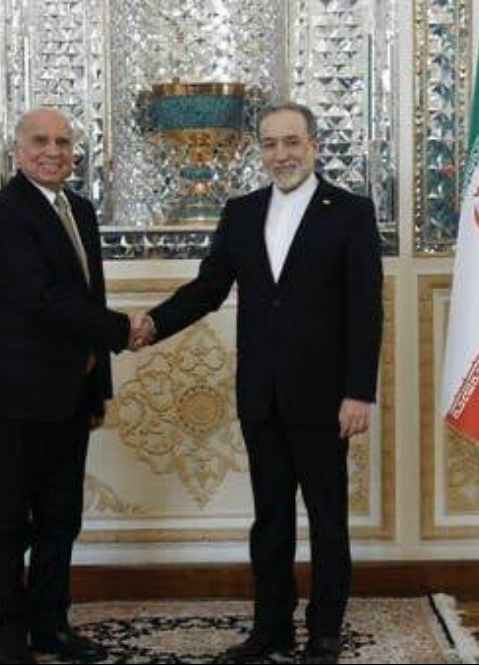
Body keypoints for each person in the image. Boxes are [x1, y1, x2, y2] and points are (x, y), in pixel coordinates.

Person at [132, 102, 383, 664]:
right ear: (260, 151)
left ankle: (325, 631)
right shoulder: (241, 212)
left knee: (328, 519)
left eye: (292, 142)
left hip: (326, 398)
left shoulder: (350, 212)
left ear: (313, 145)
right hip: (260, 396)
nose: (281, 154)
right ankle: (271, 629)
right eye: (270, 144)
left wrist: (358, 391)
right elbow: (208, 288)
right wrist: (153, 324)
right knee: (270, 519)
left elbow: (366, 309)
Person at [0, 108, 144, 664]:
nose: (53, 151)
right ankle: (10, 630)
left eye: (63, 142)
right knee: (8, 519)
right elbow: (41, 298)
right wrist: (122, 331)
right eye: (40, 141)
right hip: (12, 395)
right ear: (17, 150)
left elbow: (88, 294)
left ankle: (51, 624)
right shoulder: (3, 214)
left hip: (69, 395)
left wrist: (97, 387)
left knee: (62, 517)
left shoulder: (78, 210)